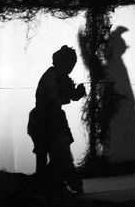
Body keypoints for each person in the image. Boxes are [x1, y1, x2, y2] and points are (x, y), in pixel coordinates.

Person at [28, 45, 86, 194]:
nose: (70, 68)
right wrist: (73, 94)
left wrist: (78, 92)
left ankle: (49, 183)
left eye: (72, 65)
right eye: (68, 64)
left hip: (54, 120)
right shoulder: (51, 75)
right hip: (43, 119)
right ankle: (48, 184)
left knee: (60, 155)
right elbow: (59, 98)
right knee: (48, 156)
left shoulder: (62, 76)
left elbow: (72, 95)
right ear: (60, 62)